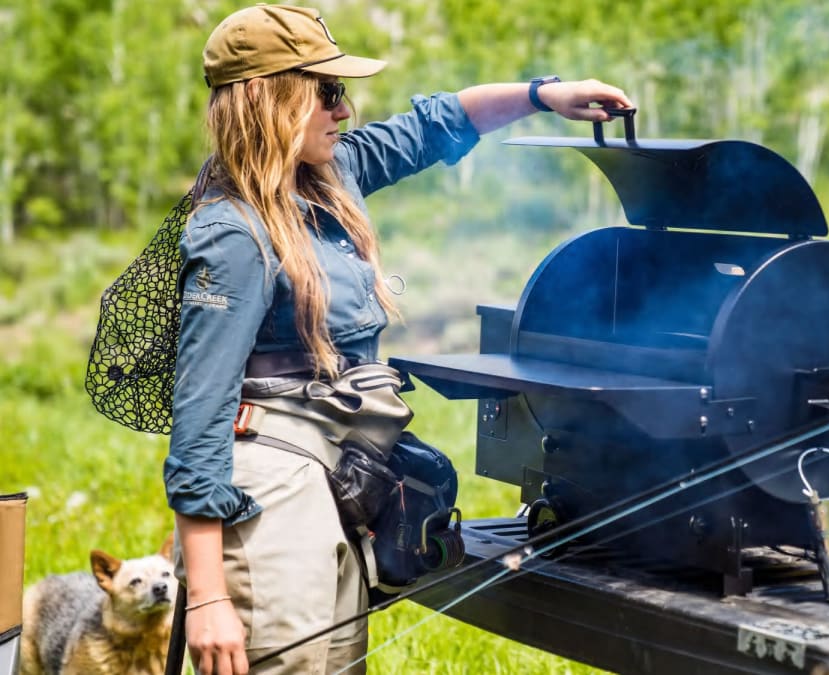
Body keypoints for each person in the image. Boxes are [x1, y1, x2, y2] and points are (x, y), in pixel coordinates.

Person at [164, 4, 632, 674]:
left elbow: (436, 124)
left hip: (336, 484)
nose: (344, 109)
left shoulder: (333, 175)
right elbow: (199, 417)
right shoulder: (233, 233)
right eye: (326, 92)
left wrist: (543, 95)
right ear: (267, 97)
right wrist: (208, 596)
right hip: (265, 499)